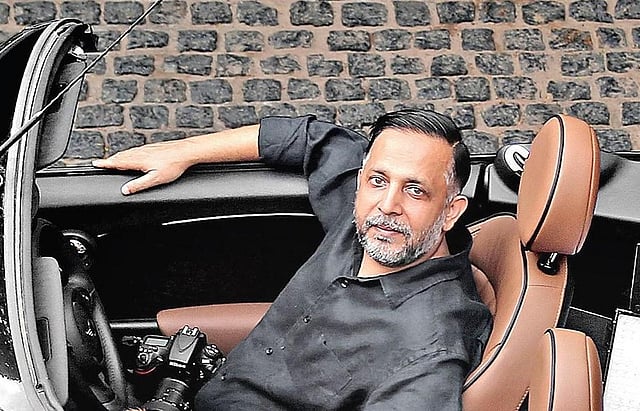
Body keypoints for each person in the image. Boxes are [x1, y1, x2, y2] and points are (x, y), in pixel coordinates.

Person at [93, 109, 492, 410]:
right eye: (378, 180)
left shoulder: (431, 349)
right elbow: (313, 138)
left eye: (415, 190)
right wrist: (183, 152)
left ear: (451, 212)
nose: (388, 205)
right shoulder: (368, 220)